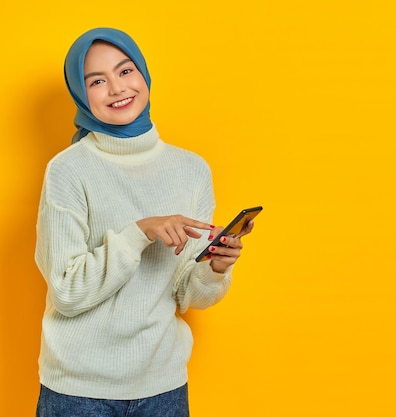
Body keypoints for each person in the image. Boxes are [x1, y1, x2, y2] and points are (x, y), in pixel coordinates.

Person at [34, 27, 254, 417]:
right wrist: (138, 233)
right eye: (97, 81)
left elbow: (188, 295)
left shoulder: (191, 170)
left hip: (163, 389)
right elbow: (67, 292)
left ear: (144, 75)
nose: (117, 89)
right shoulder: (68, 171)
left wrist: (217, 266)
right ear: (81, 96)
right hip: (79, 394)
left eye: (125, 71)